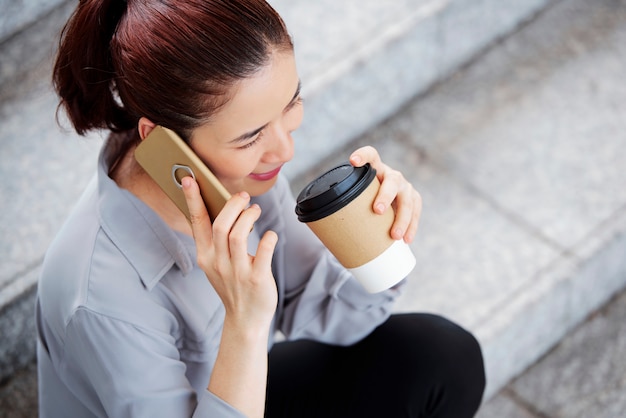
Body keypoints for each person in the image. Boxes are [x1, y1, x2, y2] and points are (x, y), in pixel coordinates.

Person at [36, 0, 486, 417]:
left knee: (441, 356)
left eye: (290, 103)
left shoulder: (241, 177)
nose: (284, 149)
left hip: (248, 390)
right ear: (160, 141)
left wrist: (380, 241)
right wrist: (246, 325)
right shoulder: (103, 297)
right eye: (250, 136)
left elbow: (327, 317)